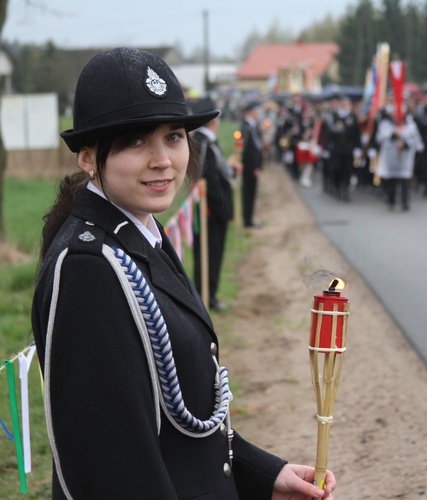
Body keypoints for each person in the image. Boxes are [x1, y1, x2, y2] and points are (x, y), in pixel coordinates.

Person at [31, 48, 335, 500]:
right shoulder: (88, 271)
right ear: (88, 157)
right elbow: (112, 469)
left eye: (173, 137)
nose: (163, 160)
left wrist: (265, 474)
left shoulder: (140, 233)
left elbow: (183, 419)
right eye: (136, 140)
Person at [191, 97, 237, 312]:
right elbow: (210, 184)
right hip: (210, 211)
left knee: (214, 254)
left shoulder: (207, 141)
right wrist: (224, 211)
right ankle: (206, 297)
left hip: (213, 209)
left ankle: (210, 294)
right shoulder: (203, 143)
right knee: (209, 255)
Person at [376, 96, 423, 211]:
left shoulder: (411, 125)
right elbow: (380, 138)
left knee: (405, 181)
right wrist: (393, 135)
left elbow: (417, 141)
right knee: (391, 181)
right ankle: (391, 201)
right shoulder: (386, 124)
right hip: (390, 158)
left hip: (405, 159)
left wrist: (405, 144)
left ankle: (405, 202)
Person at [240, 101, 264, 228]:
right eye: (255, 112)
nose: (257, 115)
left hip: (253, 166)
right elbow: (248, 151)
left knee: (252, 193)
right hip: (249, 167)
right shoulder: (246, 127)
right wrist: (254, 166)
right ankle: (247, 220)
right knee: (248, 193)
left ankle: (249, 218)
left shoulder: (253, 126)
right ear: (249, 112)